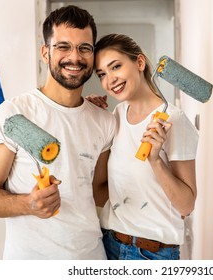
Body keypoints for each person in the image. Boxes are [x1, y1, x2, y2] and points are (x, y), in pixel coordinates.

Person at [0, 5, 116, 259]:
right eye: (63, 46)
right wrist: (27, 204)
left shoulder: (103, 121)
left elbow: (98, 190)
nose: (75, 57)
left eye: (85, 48)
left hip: (91, 258)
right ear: (45, 53)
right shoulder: (11, 116)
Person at [90, 34, 198, 260]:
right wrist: (94, 123)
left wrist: (155, 160)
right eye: (102, 74)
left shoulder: (173, 121)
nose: (110, 80)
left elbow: (186, 206)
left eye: (116, 66)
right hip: (109, 245)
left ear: (139, 62)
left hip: (151, 254)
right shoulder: (117, 116)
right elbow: (100, 192)